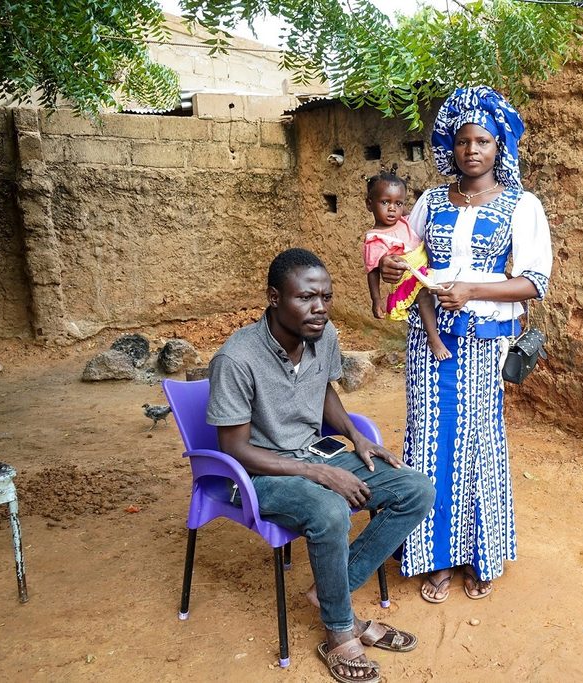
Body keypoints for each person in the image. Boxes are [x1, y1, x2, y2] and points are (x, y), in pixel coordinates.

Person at [206, 248, 434, 683]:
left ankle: (332, 590)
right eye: (306, 298)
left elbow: (323, 390)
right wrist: (317, 473)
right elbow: (234, 448)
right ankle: (340, 632)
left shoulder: (322, 336)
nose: (320, 309)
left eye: (326, 298)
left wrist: (355, 433)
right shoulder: (236, 358)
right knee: (329, 511)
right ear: (274, 298)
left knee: (416, 489)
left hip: (315, 451)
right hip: (259, 472)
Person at [379, 86, 552, 603]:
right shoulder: (430, 202)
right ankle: (434, 558)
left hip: (481, 341)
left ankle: (481, 554)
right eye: (462, 141)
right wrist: (391, 266)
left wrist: (473, 289)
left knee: (478, 443)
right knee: (430, 443)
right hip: (428, 342)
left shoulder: (523, 206)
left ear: (499, 147)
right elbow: (403, 259)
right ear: (450, 148)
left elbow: (535, 282)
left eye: (482, 140)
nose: (471, 150)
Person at [362, 167, 451, 361]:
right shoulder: (375, 238)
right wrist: (376, 300)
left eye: (398, 203)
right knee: (424, 296)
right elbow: (372, 271)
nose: (392, 208)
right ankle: (433, 339)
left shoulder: (404, 221)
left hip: (424, 266)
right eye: (385, 202)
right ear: (369, 204)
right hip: (409, 275)